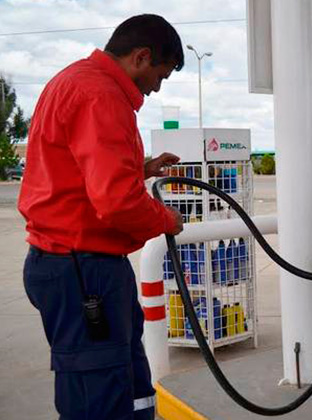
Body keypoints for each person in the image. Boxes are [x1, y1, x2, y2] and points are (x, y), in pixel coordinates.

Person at [18, 15, 185, 420]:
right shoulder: (101, 95)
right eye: (160, 75)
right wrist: (166, 220)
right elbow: (117, 202)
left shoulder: (74, 80)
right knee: (99, 399)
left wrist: (140, 169)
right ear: (141, 57)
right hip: (82, 270)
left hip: (79, 265)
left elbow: (74, 171)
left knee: (128, 383)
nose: (156, 87)